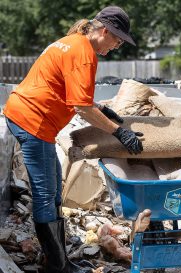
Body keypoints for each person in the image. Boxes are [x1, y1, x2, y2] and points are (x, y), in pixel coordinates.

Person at [4, 6, 143, 273]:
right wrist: (118, 131)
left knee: (54, 190)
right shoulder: (84, 53)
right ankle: (58, 266)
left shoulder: (72, 43)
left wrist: (100, 108)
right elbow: (80, 107)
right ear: (105, 31)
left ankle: (56, 259)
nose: (116, 47)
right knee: (47, 195)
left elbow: (69, 92)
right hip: (34, 121)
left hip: (27, 115)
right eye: (117, 40)